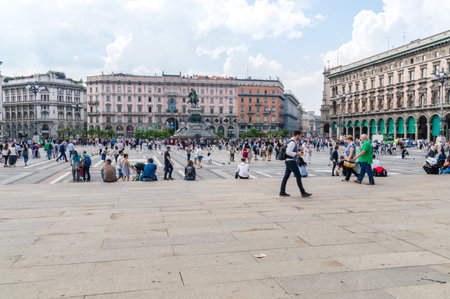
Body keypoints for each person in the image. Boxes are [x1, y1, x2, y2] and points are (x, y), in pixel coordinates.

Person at [279, 130, 312, 198]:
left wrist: (298, 152)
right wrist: (297, 153)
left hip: (288, 161)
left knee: (286, 176)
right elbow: (288, 152)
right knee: (298, 176)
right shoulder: (292, 142)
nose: (300, 137)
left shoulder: (290, 141)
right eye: (300, 135)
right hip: (291, 161)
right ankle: (303, 192)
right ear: (297, 135)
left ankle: (282, 191)